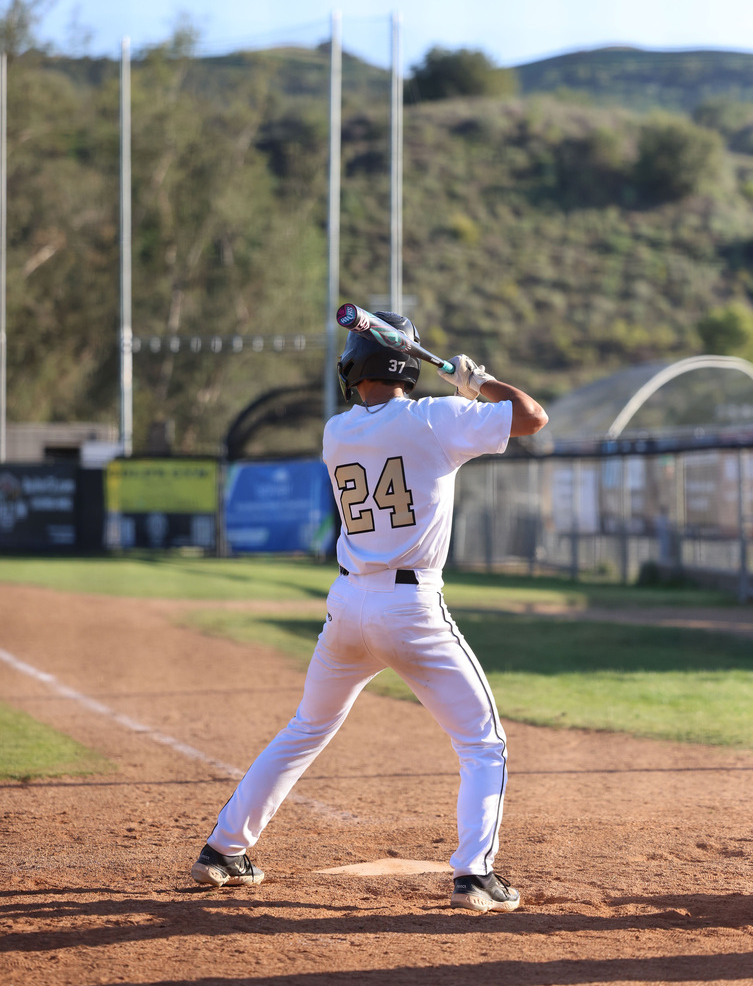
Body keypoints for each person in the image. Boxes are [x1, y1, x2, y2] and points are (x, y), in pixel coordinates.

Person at [191, 312, 548, 913]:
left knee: (305, 729)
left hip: (348, 604)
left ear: (356, 369)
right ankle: (474, 875)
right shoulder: (436, 417)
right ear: (408, 364)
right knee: (484, 743)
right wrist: (477, 382)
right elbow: (533, 418)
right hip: (412, 608)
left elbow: (395, 425)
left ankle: (224, 849)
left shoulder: (337, 431)